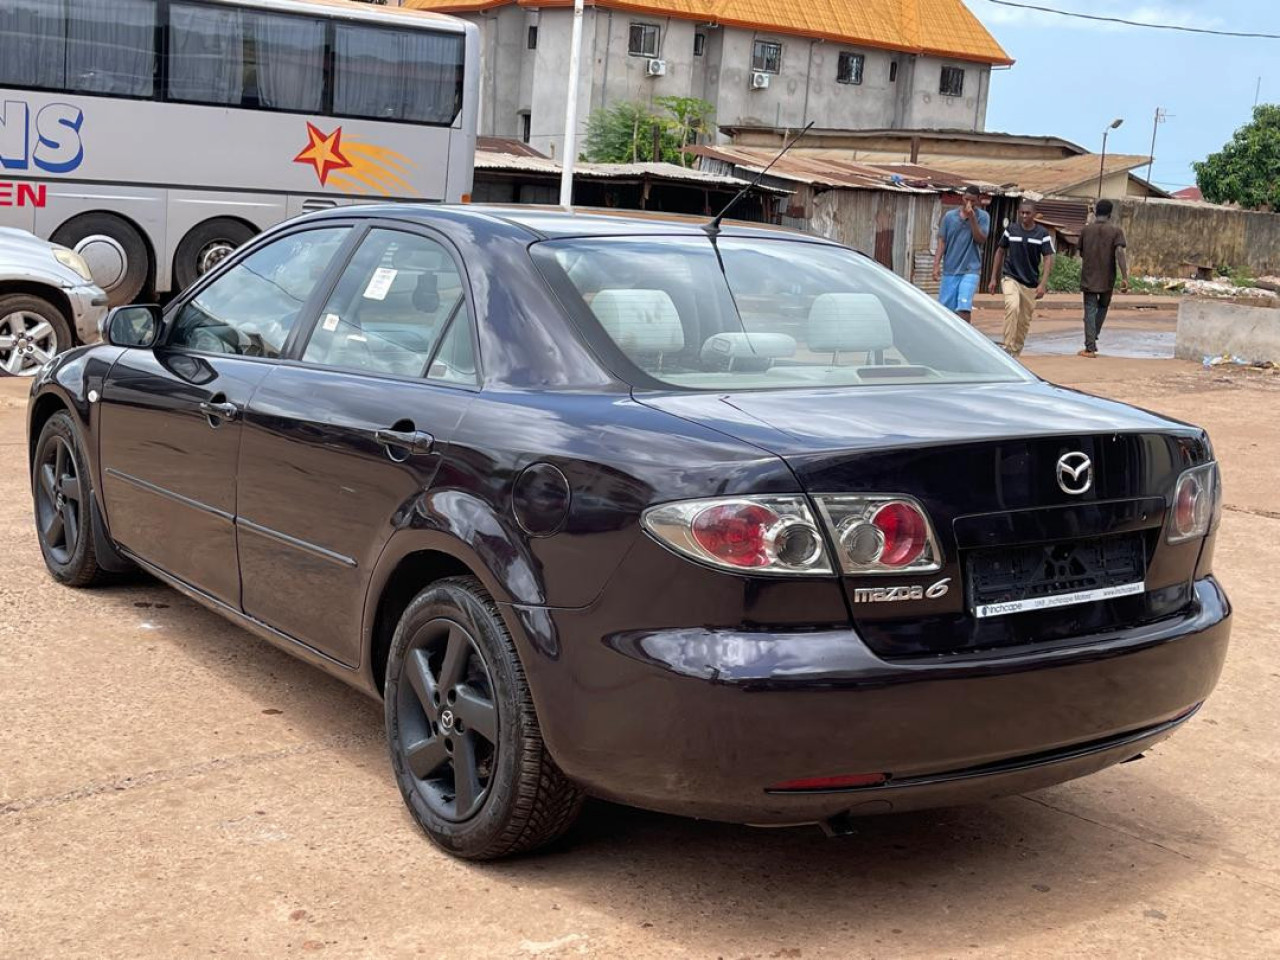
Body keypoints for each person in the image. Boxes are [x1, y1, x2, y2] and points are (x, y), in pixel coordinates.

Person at [987, 199, 1055, 357]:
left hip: (1030, 284)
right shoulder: (1011, 229)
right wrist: (993, 278)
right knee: (1012, 306)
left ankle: (1015, 354)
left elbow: (1048, 258)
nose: (1024, 216)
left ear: (1034, 215)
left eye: (1027, 213)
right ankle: (1007, 346)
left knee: (1023, 322)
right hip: (1011, 277)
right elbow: (1000, 251)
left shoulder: (1042, 234)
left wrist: (1043, 284)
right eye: (1021, 213)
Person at [1077, 199, 1129, 357]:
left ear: (1096, 212)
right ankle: (1093, 339)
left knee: (1090, 311)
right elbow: (1120, 253)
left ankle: (1090, 347)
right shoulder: (1116, 231)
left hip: (1089, 277)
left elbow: (1080, 252)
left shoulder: (1086, 231)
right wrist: (1125, 276)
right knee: (1102, 308)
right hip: (1108, 278)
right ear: (1110, 213)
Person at [932, 185, 990, 322]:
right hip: (950, 269)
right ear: (962, 198)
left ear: (978, 201)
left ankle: (965, 338)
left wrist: (972, 219)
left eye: (972, 201)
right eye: (966, 199)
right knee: (945, 309)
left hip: (970, 270)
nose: (968, 203)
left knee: (964, 307)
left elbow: (980, 239)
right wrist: (936, 265)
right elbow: (942, 241)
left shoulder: (983, 217)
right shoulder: (949, 217)